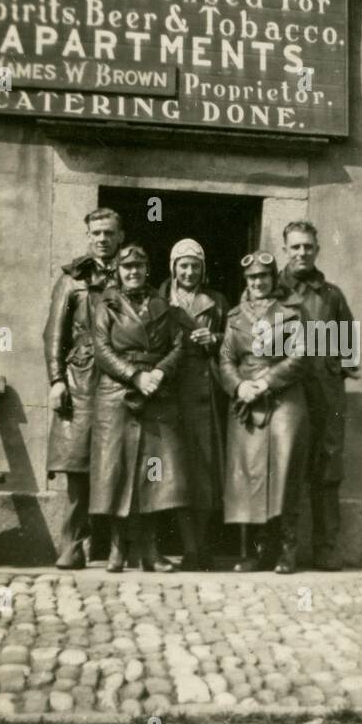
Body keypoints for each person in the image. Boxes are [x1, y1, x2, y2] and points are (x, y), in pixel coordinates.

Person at [89, 244, 198, 572]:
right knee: (116, 472)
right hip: (117, 396)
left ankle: (150, 551)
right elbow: (101, 349)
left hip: (156, 394)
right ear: (118, 271)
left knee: (154, 474)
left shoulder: (163, 305)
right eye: (126, 268)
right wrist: (135, 376)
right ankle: (117, 549)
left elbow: (179, 345)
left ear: (147, 269)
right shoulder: (105, 304)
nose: (133, 272)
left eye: (138, 266)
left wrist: (159, 373)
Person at [43, 207, 124, 568]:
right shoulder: (72, 279)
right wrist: (57, 380)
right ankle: (73, 544)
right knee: (77, 467)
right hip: (80, 380)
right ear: (88, 236)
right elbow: (54, 333)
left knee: (116, 462)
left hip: (117, 379)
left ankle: (111, 547)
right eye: (96, 233)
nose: (102, 239)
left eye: (108, 233)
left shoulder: (129, 274)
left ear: (120, 236)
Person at [220, 252, 308, 574]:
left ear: (273, 279)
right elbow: (226, 359)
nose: (258, 283)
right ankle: (260, 551)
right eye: (252, 278)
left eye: (264, 277)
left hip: (284, 400)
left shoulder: (292, 314)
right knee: (252, 477)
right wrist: (238, 386)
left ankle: (287, 550)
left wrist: (265, 382)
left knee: (284, 474)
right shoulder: (234, 317)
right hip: (247, 402)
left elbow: (300, 356)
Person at [278, 220, 358, 569]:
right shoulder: (270, 290)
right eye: (295, 247)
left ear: (317, 250)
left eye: (307, 246)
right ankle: (284, 550)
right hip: (287, 394)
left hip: (326, 396)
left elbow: (350, 347)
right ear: (285, 250)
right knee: (286, 468)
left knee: (327, 470)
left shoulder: (331, 294)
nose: (301, 253)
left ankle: (326, 549)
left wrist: (338, 367)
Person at [158, 238, 229, 568]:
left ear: (203, 269)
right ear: (173, 268)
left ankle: (200, 548)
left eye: (195, 266)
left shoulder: (216, 301)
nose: (189, 272)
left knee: (203, 472)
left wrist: (213, 340)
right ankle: (183, 545)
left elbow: (236, 341)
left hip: (203, 395)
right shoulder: (159, 299)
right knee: (174, 473)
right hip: (168, 393)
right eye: (183, 265)